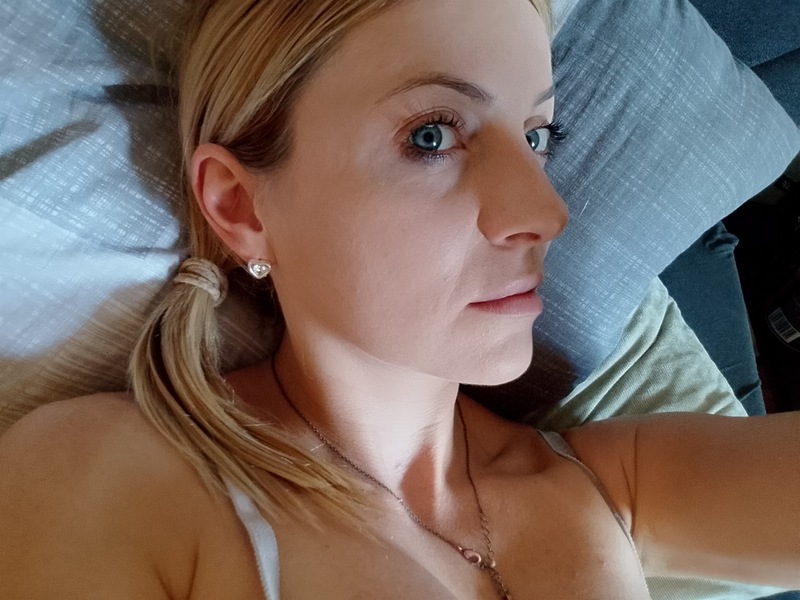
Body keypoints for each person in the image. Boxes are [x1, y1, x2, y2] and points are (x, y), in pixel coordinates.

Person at [0, 0, 798, 597]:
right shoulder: (107, 479)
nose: (545, 212)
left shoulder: (615, 486)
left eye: (536, 137)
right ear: (241, 206)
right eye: (431, 135)